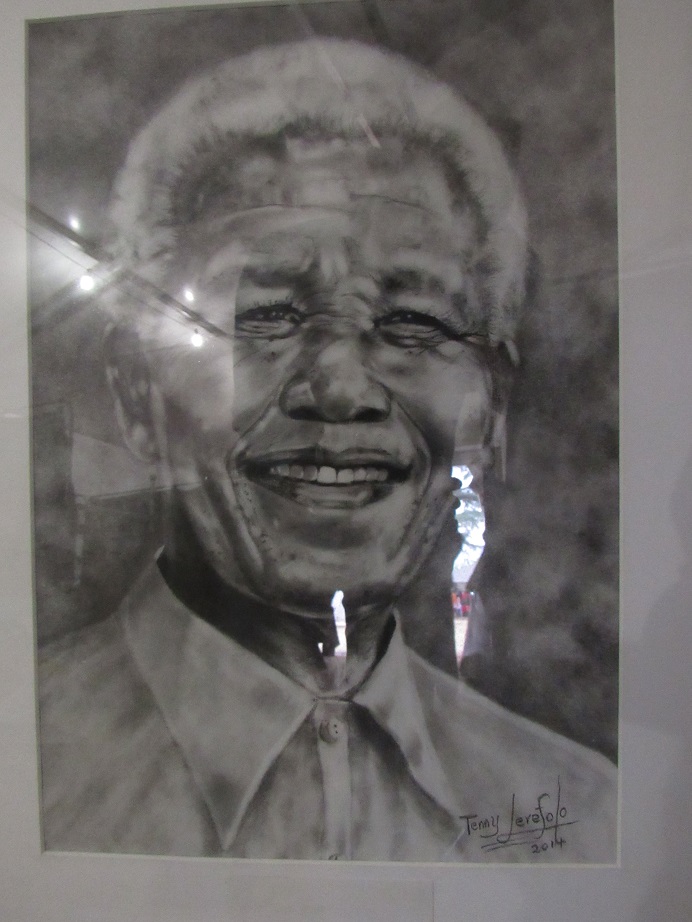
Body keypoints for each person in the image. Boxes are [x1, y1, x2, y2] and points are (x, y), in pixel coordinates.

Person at [37, 38, 617, 862]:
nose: (340, 388)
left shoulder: (587, 817)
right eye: (266, 315)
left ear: (489, 408)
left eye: (412, 323)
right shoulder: (25, 773)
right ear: (137, 392)